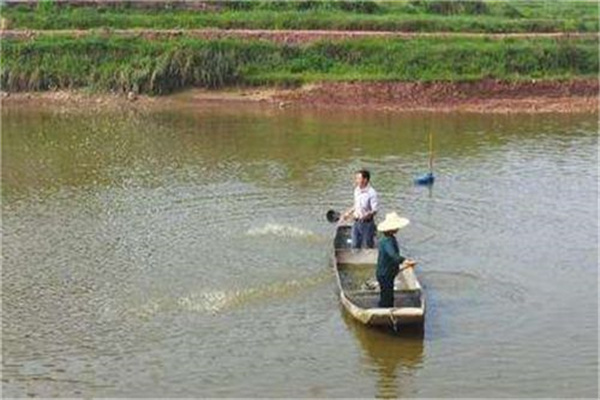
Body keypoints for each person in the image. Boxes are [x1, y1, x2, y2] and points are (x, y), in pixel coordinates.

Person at [376, 212, 415, 308]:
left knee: (387, 295)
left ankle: (385, 308)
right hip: (385, 274)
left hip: (386, 272)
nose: (398, 229)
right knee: (387, 297)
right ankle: (385, 312)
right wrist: (405, 261)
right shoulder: (387, 241)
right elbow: (393, 255)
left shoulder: (387, 238)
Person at [341, 169, 378, 249]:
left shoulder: (372, 193)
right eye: (356, 178)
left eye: (358, 178)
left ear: (365, 180)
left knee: (367, 246)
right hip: (356, 222)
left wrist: (365, 216)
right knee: (354, 245)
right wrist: (348, 213)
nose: (356, 181)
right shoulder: (356, 190)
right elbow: (356, 205)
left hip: (367, 224)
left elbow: (374, 210)